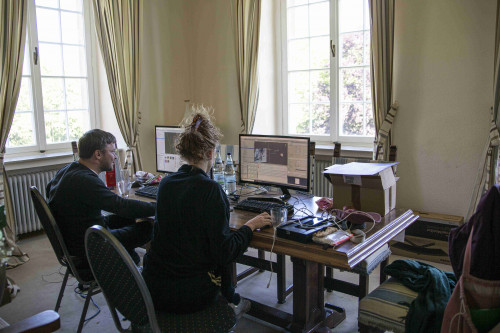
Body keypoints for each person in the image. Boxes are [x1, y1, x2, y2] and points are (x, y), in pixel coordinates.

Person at [142, 107, 272, 316]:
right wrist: (251, 225)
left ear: (183, 152)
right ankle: (228, 301)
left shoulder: (165, 183)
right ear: (211, 153)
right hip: (190, 295)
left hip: (154, 289)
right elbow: (224, 252)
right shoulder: (211, 190)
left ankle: (229, 296)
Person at [46, 129, 155, 282]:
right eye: (112, 151)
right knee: (149, 227)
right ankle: (140, 276)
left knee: (132, 218)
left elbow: (119, 207)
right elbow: (120, 205)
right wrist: (159, 206)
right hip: (92, 248)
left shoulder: (68, 170)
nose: (115, 156)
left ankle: (132, 260)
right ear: (98, 154)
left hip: (81, 236)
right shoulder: (84, 180)